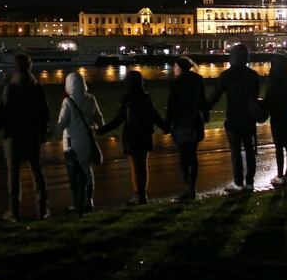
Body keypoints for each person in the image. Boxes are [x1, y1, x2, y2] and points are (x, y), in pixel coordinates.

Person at [0, 53, 50, 222]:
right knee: (37, 173)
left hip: (13, 138)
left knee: (13, 175)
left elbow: (2, 115)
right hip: (32, 136)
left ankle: (14, 212)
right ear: (30, 66)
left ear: (15, 67)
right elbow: (45, 114)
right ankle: (41, 209)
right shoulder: (36, 88)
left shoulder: (10, 89)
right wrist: (42, 132)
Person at [99, 71, 167, 205]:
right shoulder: (146, 97)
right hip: (145, 134)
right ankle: (142, 195)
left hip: (132, 136)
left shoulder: (127, 98)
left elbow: (119, 119)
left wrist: (103, 130)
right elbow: (154, 115)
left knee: (135, 166)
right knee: (143, 165)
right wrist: (165, 127)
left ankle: (139, 195)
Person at [207, 44, 260, 193]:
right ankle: (249, 182)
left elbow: (215, 96)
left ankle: (238, 182)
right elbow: (254, 96)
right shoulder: (253, 75)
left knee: (235, 151)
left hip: (234, 117)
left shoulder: (227, 75)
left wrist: (204, 109)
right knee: (250, 150)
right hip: (249, 118)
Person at [53, 72, 104, 216]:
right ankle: (89, 201)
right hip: (87, 141)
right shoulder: (90, 98)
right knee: (87, 171)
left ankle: (79, 204)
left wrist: (50, 131)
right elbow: (98, 117)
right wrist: (101, 128)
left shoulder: (68, 102)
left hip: (71, 144)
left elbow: (62, 123)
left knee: (75, 176)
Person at [166, 57, 209, 202]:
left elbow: (172, 104)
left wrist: (167, 122)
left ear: (179, 67)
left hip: (181, 121)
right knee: (193, 155)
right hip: (195, 120)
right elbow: (203, 101)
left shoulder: (177, 83)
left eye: (174, 66)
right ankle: (191, 186)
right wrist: (206, 116)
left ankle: (187, 187)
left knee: (184, 156)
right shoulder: (198, 81)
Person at [263, 53, 287, 187]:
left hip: (276, 116)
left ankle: (280, 175)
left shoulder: (272, 82)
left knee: (278, 146)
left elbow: (267, 100)